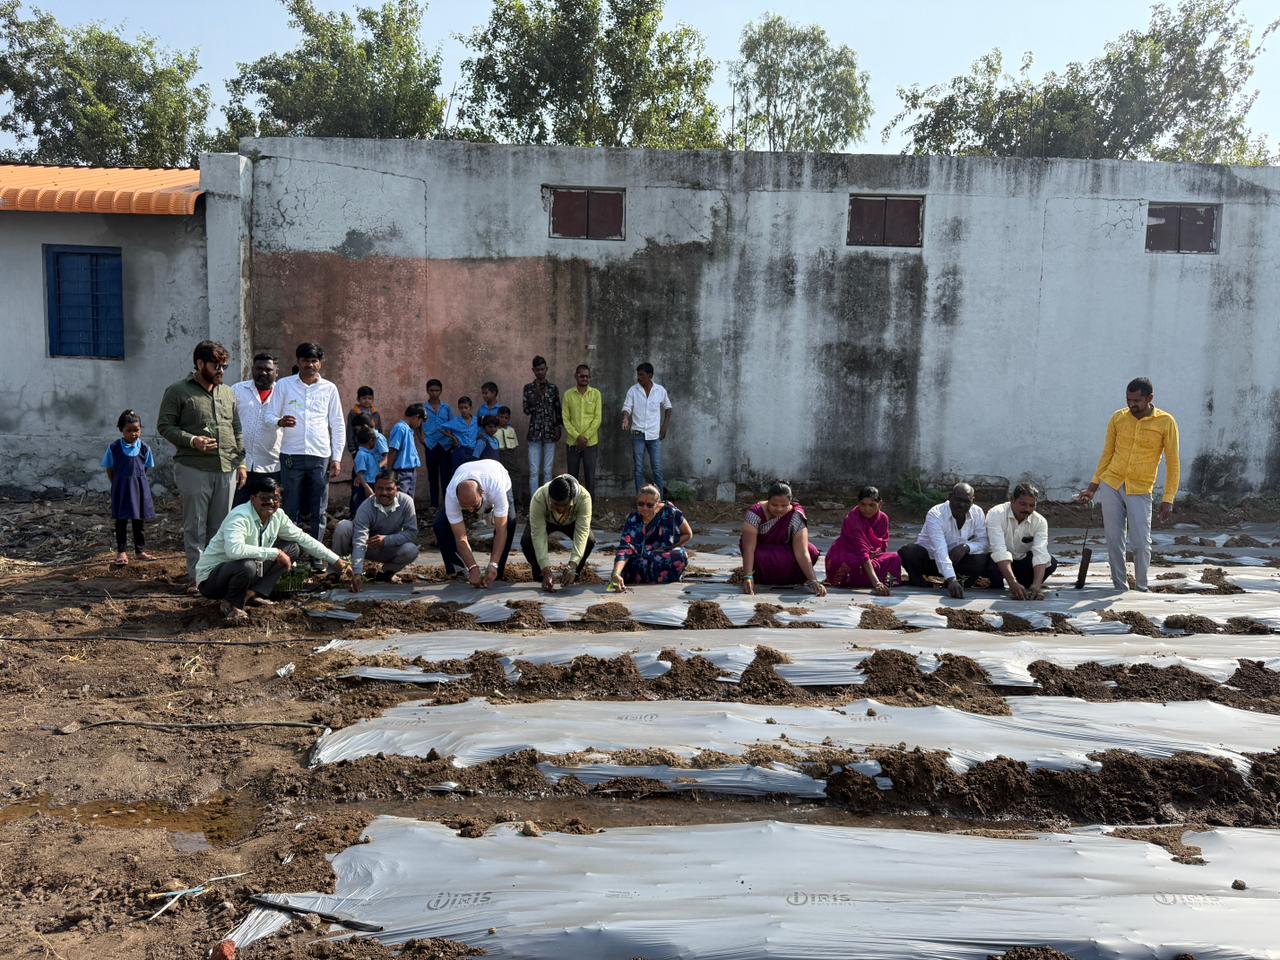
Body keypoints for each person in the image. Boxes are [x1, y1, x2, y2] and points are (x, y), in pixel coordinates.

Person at [196, 478, 352, 623]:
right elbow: (234, 551)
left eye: (275, 499)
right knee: (247, 566)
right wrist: (275, 553)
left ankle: (251, 593)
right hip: (212, 580)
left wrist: (336, 561)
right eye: (264, 498)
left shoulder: (278, 516)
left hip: (245, 570)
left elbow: (303, 538)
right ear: (253, 499)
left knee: (292, 548)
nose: (270, 503)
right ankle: (232, 605)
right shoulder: (240, 516)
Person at [1077, 377, 1180, 592]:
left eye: (1137, 400)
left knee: (1141, 543)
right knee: (1114, 540)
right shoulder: (1118, 418)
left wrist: (1168, 499)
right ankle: (1120, 588)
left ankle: (1142, 587)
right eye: (1128, 400)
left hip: (1140, 488)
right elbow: (1107, 453)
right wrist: (1092, 487)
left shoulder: (1166, 422)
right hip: (1111, 483)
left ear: (1150, 398)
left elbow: (1173, 463)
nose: (1132, 405)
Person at [158, 340, 247, 586]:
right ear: (200, 364)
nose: (221, 370)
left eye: (224, 366)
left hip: (226, 468)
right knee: (195, 526)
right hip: (194, 467)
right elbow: (165, 426)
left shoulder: (228, 393)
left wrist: (241, 463)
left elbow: (236, 429)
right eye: (216, 365)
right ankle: (198, 579)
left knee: (220, 528)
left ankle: (215, 575)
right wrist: (192, 440)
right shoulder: (178, 391)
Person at [264, 342, 345, 552]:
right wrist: (280, 421)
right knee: (290, 506)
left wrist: (336, 458)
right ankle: (290, 553)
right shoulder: (284, 385)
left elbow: (337, 424)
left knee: (318, 508)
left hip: (320, 455)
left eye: (313, 360)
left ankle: (317, 554)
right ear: (298, 362)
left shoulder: (329, 388)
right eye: (305, 360)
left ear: (320, 363)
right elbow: (269, 414)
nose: (309, 364)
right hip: (291, 454)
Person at [898, 483, 989, 599]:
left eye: (966, 501)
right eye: (958, 500)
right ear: (950, 496)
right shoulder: (936, 514)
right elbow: (939, 549)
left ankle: (960, 584)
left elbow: (984, 542)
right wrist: (951, 579)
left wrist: (966, 547)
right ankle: (919, 582)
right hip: (931, 560)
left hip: (957, 561)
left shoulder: (978, 512)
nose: (961, 505)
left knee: (980, 558)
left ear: (972, 500)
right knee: (908, 552)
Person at [433, 459, 516, 586]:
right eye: (465, 507)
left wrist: (493, 563)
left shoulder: (496, 488)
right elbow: (460, 536)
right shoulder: (451, 495)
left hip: (497, 472)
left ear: (482, 493)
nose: (471, 510)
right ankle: (459, 570)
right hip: (465, 470)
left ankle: (496, 570)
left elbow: (501, 531)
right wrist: (473, 567)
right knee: (440, 525)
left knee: (509, 523)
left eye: (474, 505)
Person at [332, 471, 420, 588]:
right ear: (375, 488)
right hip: (365, 546)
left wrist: (387, 540)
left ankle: (385, 573)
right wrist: (357, 573)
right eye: (380, 489)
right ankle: (334, 572)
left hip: (388, 547)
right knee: (343, 527)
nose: (384, 493)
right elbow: (359, 540)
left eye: (389, 489)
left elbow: (412, 533)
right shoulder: (366, 506)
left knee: (412, 550)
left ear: (397, 489)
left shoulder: (406, 502)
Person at [739, 481, 826, 595]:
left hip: (786, 551)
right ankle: (759, 577)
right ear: (768, 500)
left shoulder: (796, 514)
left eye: (784, 505)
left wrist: (813, 580)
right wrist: (748, 577)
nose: (779, 509)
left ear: (790, 502)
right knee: (756, 554)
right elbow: (749, 548)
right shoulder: (755, 513)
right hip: (763, 553)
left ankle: (792, 579)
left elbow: (802, 551)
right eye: (774, 505)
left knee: (812, 551)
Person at [983, 482, 1057, 600]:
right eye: (1023, 504)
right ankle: (1003, 583)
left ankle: (1028, 586)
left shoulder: (1040, 521)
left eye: (1032, 505)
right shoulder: (996, 514)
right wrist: (1012, 583)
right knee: (993, 568)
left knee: (1051, 563)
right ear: (1012, 500)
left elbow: (1040, 553)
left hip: (1020, 561)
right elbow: (999, 550)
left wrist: (1036, 586)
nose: (1027, 509)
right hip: (997, 563)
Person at [609, 484, 692, 589]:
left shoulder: (670, 512)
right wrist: (616, 573)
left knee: (679, 554)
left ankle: (655, 576)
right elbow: (624, 549)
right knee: (628, 565)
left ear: (658, 504)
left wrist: (669, 547)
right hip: (641, 557)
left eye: (649, 505)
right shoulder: (633, 519)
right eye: (640, 504)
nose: (644, 508)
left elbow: (688, 534)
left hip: (662, 554)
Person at [523, 474, 595, 591]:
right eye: (556, 504)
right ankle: (540, 574)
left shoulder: (584, 497)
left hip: (572, 521)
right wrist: (545, 569)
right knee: (527, 541)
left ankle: (573, 574)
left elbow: (582, 533)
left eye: (565, 505)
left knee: (589, 540)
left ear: (571, 499)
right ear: (549, 498)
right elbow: (538, 535)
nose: (560, 509)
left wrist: (573, 565)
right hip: (547, 520)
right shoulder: (539, 497)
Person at [102, 409, 156, 566]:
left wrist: (136, 480)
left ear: (141, 429)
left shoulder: (145, 448)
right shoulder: (114, 448)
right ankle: (121, 551)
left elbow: (144, 468)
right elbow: (110, 468)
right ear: (121, 430)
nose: (133, 434)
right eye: (129, 430)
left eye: (137, 430)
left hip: (139, 488)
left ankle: (140, 551)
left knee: (138, 521)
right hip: (121, 488)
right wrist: (118, 482)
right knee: (121, 520)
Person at [823, 486, 900, 595]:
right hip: (848, 555)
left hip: (870, 557)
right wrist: (876, 583)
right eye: (863, 505)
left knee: (895, 558)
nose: (867, 509)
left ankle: (869, 577)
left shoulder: (883, 518)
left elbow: (882, 544)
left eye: (872, 505)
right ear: (858, 503)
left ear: (880, 504)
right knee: (852, 564)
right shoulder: (852, 519)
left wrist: (873, 556)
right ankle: (872, 579)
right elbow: (861, 551)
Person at [231, 353, 283, 507]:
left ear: (276, 372)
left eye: (268, 369)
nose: (263, 373)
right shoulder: (238, 390)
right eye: (259, 369)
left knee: (267, 510)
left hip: (271, 464)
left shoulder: (283, 393)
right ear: (252, 370)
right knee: (238, 509)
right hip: (241, 464)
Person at [621, 362, 671, 495]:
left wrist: (664, 427)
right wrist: (626, 417)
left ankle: (660, 501)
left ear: (650, 375)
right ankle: (640, 499)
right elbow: (627, 407)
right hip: (638, 435)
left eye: (642, 375)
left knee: (657, 468)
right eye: (638, 374)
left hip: (654, 436)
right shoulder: (633, 390)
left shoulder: (660, 390)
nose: (639, 377)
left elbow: (668, 408)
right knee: (638, 469)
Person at [523, 355, 563, 498]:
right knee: (534, 470)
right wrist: (535, 397)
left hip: (550, 433)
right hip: (534, 433)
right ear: (533, 370)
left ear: (546, 369)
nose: (540, 372)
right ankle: (535, 501)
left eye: (542, 369)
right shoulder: (528, 388)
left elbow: (558, 410)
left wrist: (559, 427)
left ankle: (546, 500)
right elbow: (526, 410)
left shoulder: (553, 388)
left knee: (547, 470)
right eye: (537, 370)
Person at [563, 364, 602, 497]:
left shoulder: (596, 394)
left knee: (590, 476)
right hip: (572, 443)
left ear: (590, 378)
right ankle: (572, 504)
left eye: (587, 376)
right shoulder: (568, 395)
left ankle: (589, 506)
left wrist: (585, 437)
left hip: (590, 443)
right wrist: (577, 437)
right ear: (576, 376)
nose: (584, 378)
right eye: (581, 375)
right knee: (572, 477)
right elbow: (566, 419)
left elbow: (597, 418)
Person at [421, 379, 454, 512]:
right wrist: (422, 439)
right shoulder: (423, 408)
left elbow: (453, 424)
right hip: (430, 445)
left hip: (445, 444)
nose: (434, 393)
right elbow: (418, 426)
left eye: (437, 390)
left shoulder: (446, 408)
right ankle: (434, 504)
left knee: (446, 476)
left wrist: (451, 440)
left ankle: (447, 504)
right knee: (432, 476)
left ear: (441, 391)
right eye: (431, 390)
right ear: (427, 391)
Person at [387, 404, 425, 496]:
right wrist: (389, 470)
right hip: (401, 472)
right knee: (401, 499)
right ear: (416, 417)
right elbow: (393, 450)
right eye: (421, 421)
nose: (420, 425)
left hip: (411, 471)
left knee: (408, 500)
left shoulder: (409, 430)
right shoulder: (400, 428)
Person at [442, 396, 480, 471]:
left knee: (471, 474)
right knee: (458, 472)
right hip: (460, 450)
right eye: (461, 408)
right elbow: (440, 428)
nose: (463, 410)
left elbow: (482, 431)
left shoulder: (477, 421)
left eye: (466, 408)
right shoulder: (456, 421)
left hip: (473, 451)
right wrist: (452, 437)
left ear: (471, 408)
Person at [350, 426, 381, 513]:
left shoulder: (368, 454)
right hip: (367, 485)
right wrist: (366, 487)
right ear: (371, 440)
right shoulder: (361, 454)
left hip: (372, 484)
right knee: (363, 509)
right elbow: (360, 473)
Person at [345, 386, 382, 457]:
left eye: (369, 398)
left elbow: (379, 429)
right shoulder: (353, 413)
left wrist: (380, 444)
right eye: (364, 398)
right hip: (359, 447)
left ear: (373, 399)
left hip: (374, 447)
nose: (367, 401)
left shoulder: (375, 413)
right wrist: (352, 449)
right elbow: (350, 431)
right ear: (358, 399)